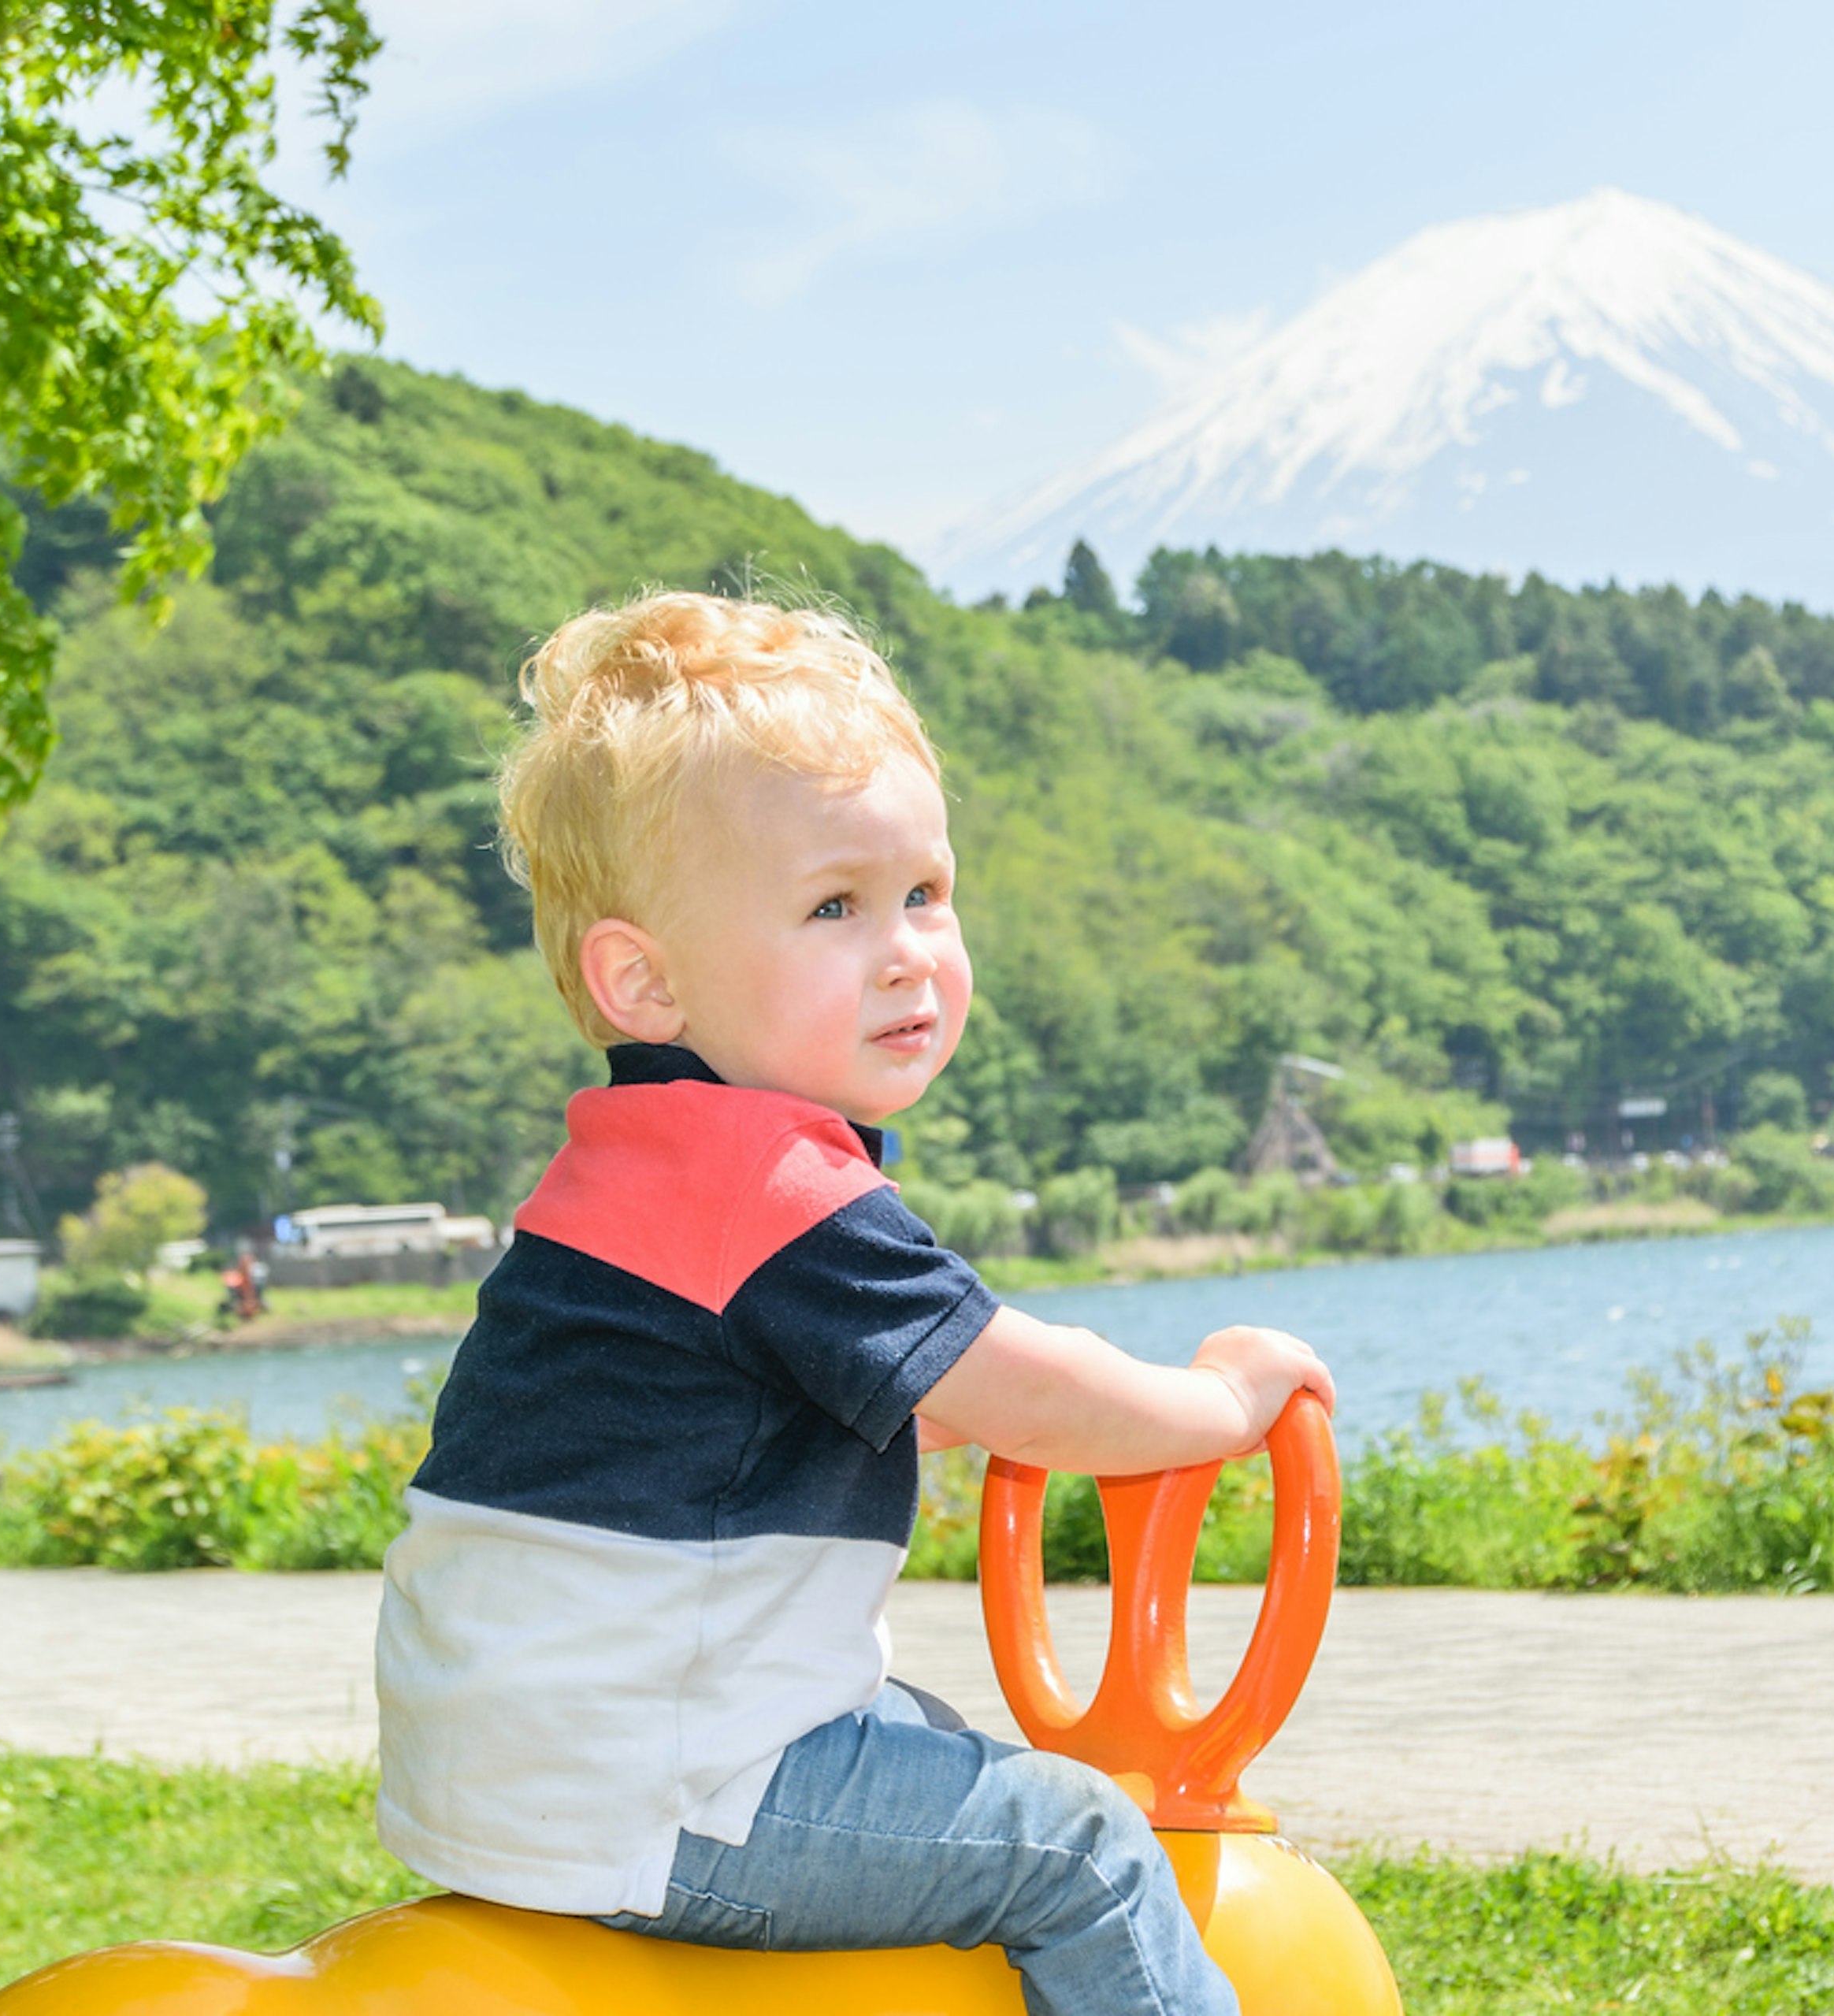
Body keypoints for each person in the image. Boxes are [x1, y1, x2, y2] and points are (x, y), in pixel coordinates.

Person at [374, 589, 1334, 2015]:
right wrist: (1216, 1404)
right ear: (642, 978)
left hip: (505, 1775)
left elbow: (733, 1429)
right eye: (834, 907)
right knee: (1077, 1841)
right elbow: (1016, 1388)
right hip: (664, 1782)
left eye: (926, 894)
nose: (906, 951)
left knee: (939, 1746)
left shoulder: (624, 1172)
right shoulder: (770, 1186)